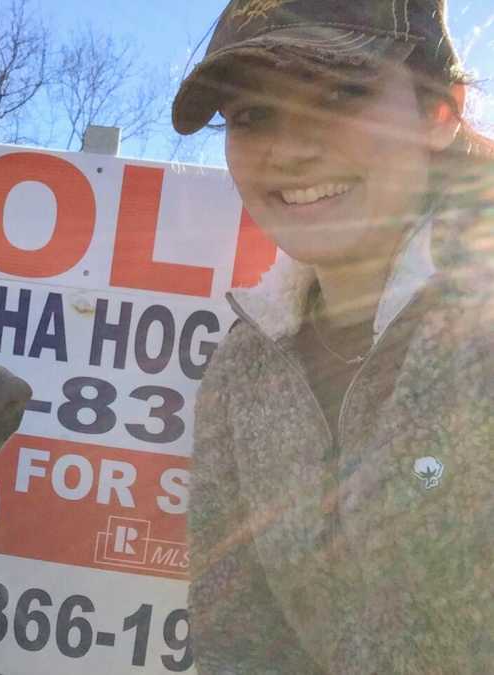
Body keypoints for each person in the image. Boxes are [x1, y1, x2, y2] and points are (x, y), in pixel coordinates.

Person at [173, 0, 493, 673]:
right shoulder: (243, 365)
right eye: (252, 114)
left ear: (439, 112)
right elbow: (241, 644)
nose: (291, 149)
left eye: (343, 93)